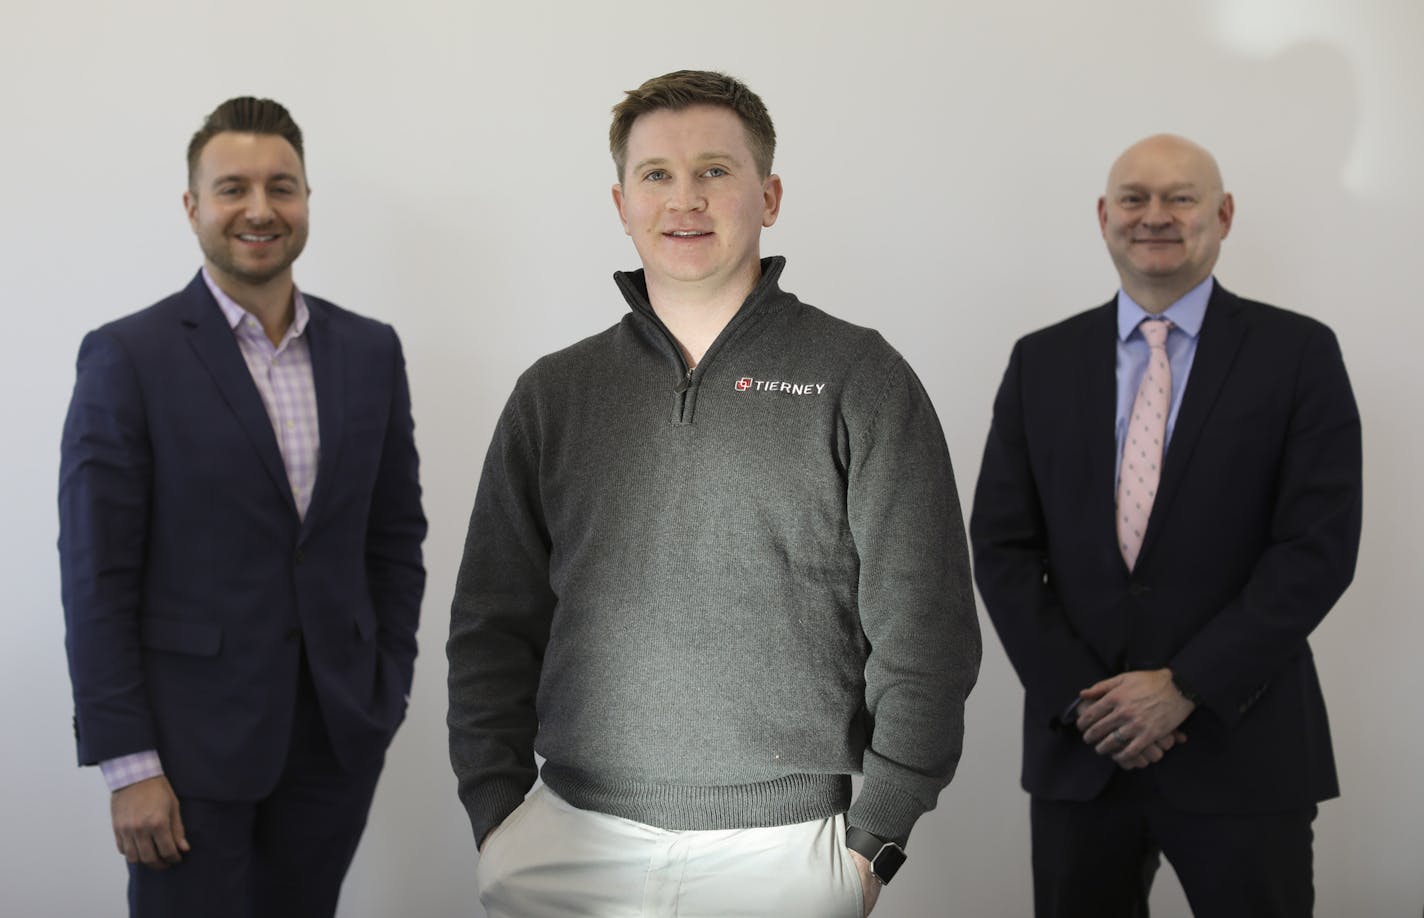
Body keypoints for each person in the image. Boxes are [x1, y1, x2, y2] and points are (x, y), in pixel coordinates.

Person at [447, 69, 980, 917]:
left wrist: (875, 838)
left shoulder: (857, 377)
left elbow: (928, 626)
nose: (683, 199)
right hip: (568, 842)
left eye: (715, 172)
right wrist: (496, 816)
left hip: (782, 852)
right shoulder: (555, 393)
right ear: (621, 201)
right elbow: (491, 623)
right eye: (656, 174)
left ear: (767, 196)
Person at [970, 134, 1361, 917]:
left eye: (1180, 197)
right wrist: (1086, 701)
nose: (1155, 216)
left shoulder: (1298, 354)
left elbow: (1315, 550)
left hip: (1244, 748)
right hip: (1084, 752)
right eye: (1135, 198)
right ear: (1104, 215)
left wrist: (1185, 687)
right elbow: (1002, 547)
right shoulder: (1040, 361)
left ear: (1222, 214)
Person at [58, 96, 427, 918]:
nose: (259, 208)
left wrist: (384, 687)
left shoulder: (371, 351)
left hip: (334, 739)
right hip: (185, 756)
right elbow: (97, 573)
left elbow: (394, 538)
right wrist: (128, 764)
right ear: (193, 207)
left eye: (282, 186)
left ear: (304, 201)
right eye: (233, 188)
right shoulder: (128, 356)